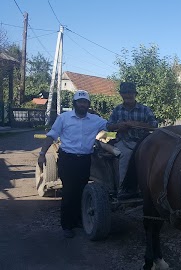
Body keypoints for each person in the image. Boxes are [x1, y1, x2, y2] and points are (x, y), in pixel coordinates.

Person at [38, 90, 107, 238]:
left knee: (81, 191)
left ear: (88, 105)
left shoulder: (95, 120)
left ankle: (78, 221)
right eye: (80, 102)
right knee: (69, 192)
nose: (82, 104)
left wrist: (127, 124)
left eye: (85, 102)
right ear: (74, 103)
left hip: (84, 160)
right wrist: (42, 154)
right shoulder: (64, 118)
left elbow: (112, 126)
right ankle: (67, 225)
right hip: (67, 159)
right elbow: (51, 136)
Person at [107, 82, 158, 200]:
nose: (128, 95)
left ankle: (151, 187)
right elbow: (108, 126)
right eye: (125, 93)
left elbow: (154, 125)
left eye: (130, 93)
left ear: (135, 94)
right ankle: (124, 189)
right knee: (125, 156)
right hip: (124, 142)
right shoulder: (117, 110)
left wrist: (137, 124)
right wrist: (119, 126)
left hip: (143, 142)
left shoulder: (144, 109)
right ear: (121, 94)